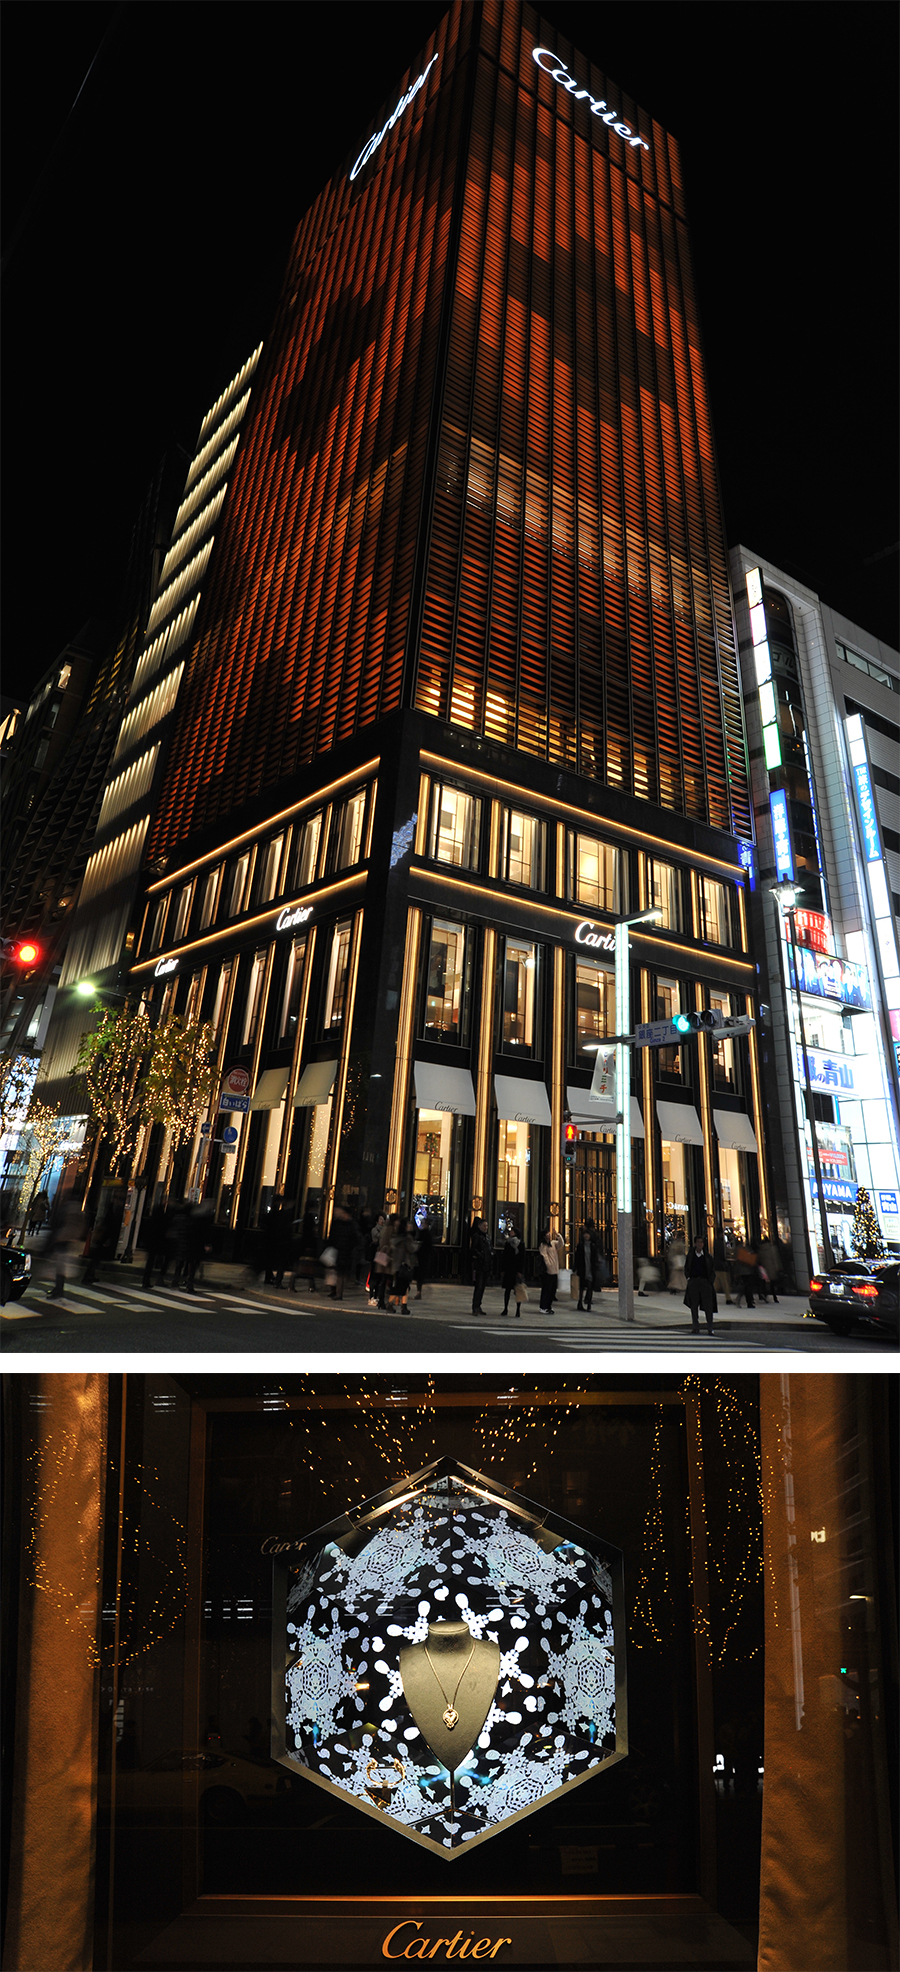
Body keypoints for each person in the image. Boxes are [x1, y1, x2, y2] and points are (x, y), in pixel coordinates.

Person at [684, 1234, 717, 1335]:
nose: (699, 1244)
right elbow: (686, 1268)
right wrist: (689, 1278)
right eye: (698, 1242)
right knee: (694, 1305)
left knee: (708, 1306)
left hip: (704, 1282)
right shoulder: (691, 1256)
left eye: (701, 1242)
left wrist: (709, 1281)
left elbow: (712, 1270)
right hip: (694, 1282)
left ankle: (710, 1327)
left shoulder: (707, 1257)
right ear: (695, 1244)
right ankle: (695, 1326)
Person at [388, 1218, 418, 1314]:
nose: (411, 1226)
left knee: (403, 1287)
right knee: (401, 1287)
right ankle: (391, 1304)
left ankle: (403, 1306)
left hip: (397, 1265)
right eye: (408, 1225)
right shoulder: (407, 1238)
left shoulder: (396, 1238)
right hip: (404, 1265)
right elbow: (412, 1249)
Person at [573, 1219, 604, 1312]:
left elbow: (595, 1257)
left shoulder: (593, 1246)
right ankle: (580, 1302)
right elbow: (577, 1257)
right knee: (582, 1286)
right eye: (585, 1234)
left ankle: (589, 1303)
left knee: (590, 1286)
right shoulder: (581, 1246)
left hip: (590, 1268)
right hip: (583, 1268)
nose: (586, 1236)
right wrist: (575, 1267)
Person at [141, 1199, 169, 1290]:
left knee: (150, 1261)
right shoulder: (160, 1220)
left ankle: (146, 1279)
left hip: (151, 1242)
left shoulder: (152, 1219)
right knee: (151, 1261)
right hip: (156, 1242)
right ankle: (147, 1280)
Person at [538, 1224, 565, 1313]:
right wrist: (549, 1266)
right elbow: (544, 1256)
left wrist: (557, 1234)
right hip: (548, 1271)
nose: (549, 1234)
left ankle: (548, 1306)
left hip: (554, 1270)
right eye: (547, 1233)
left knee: (552, 1290)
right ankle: (543, 1307)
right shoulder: (543, 1245)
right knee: (547, 1289)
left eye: (549, 1233)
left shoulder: (553, 1243)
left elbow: (561, 1243)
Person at [469, 1216, 492, 1317]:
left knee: (482, 1287)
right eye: (484, 1226)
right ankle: (475, 1307)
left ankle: (479, 1306)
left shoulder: (487, 1237)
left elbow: (489, 1247)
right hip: (480, 1264)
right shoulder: (476, 1236)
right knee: (478, 1286)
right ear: (479, 1226)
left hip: (486, 1264)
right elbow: (473, 1249)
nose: (485, 1228)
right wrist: (480, 1255)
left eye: (486, 1226)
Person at [500, 1222, 523, 1316]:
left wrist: (520, 1271)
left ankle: (518, 1310)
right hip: (509, 1269)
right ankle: (505, 1308)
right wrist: (502, 1269)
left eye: (512, 1231)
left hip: (516, 1270)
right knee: (507, 1290)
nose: (511, 1233)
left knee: (518, 1291)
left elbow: (522, 1258)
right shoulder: (508, 1244)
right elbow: (504, 1257)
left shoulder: (520, 1244)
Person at [733, 1241, 758, 1308]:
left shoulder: (737, 1250)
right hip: (748, 1270)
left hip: (742, 1271)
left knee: (745, 1286)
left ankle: (744, 1299)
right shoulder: (747, 1249)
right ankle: (749, 1301)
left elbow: (736, 1260)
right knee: (748, 1286)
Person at [413, 1218, 433, 1300]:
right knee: (420, 1276)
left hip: (420, 1257)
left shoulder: (422, 1234)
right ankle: (418, 1291)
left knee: (419, 1276)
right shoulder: (428, 1234)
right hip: (424, 1257)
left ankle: (418, 1292)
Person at [758, 1235, 781, 1304]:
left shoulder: (761, 1249)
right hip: (772, 1267)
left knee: (764, 1282)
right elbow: (776, 1259)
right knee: (772, 1283)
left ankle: (765, 1294)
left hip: (764, 1268)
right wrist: (778, 1268)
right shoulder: (772, 1248)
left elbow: (759, 1259)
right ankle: (774, 1296)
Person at [712, 1228, 732, 1304]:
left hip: (717, 1265)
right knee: (725, 1283)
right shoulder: (720, 1243)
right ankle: (728, 1298)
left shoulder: (716, 1242)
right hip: (721, 1266)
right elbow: (722, 1254)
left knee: (716, 1283)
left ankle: (711, 1297)